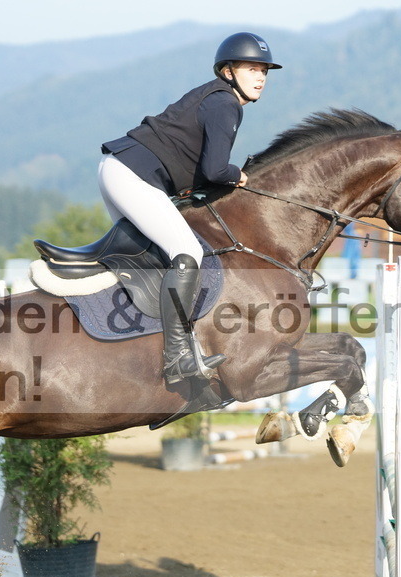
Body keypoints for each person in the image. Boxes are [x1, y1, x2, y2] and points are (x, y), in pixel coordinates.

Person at [98, 32, 281, 386]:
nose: (260, 77)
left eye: (265, 70)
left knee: (149, 258)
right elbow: (215, 170)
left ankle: (138, 344)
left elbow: (200, 174)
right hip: (131, 176)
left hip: (119, 169)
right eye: (252, 68)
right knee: (188, 251)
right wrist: (239, 175)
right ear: (228, 71)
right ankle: (177, 356)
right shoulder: (225, 103)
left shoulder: (214, 98)